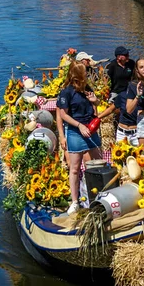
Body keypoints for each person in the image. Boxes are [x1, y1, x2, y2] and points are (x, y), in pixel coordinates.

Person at [58, 63, 101, 215]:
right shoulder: (66, 93)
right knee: (75, 168)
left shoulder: (88, 89)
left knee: (98, 165)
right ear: (77, 75)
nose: (88, 75)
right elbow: (63, 115)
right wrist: (79, 126)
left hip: (90, 130)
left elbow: (96, 107)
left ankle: (98, 197)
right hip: (76, 132)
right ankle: (75, 201)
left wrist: (95, 101)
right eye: (85, 73)